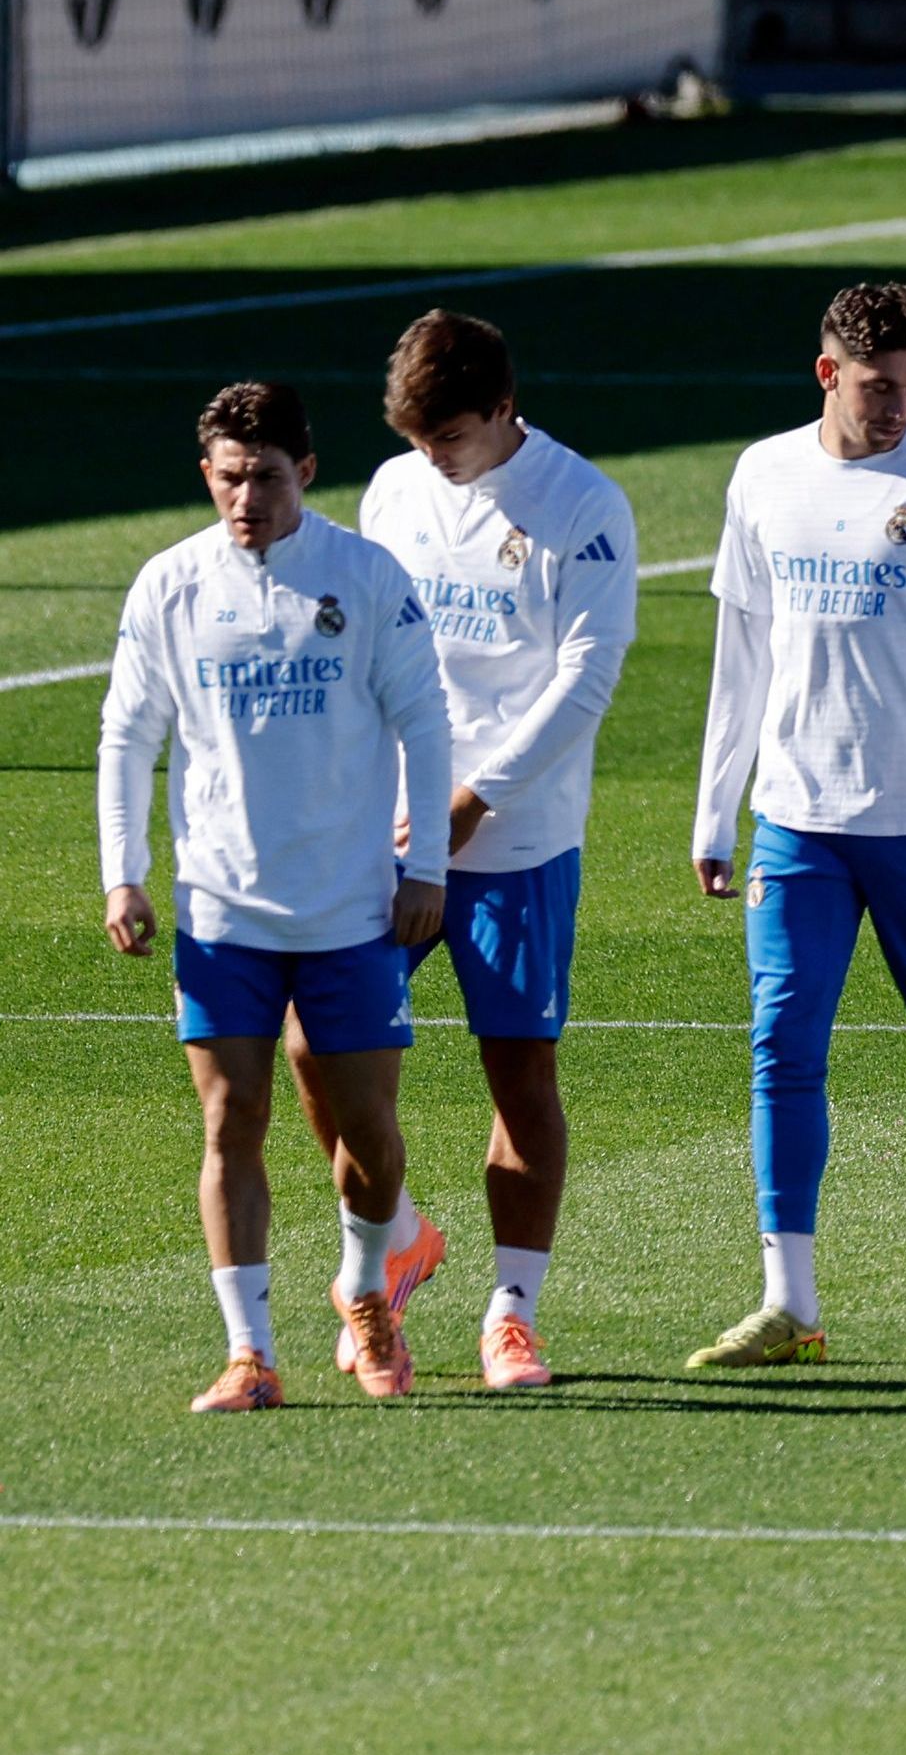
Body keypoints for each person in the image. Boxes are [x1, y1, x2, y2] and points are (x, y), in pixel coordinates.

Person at [686, 282, 906, 1368]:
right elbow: (742, 649)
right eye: (880, 385)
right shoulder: (763, 472)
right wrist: (715, 808)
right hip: (796, 819)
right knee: (781, 1051)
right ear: (826, 373)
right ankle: (788, 1300)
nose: (899, 407)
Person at [102, 382, 456, 1409]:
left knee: (368, 1137)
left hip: (351, 907)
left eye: (262, 474)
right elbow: (129, 733)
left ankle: (365, 1280)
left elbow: (425, 721)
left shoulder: (365, 575)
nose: (244, 496)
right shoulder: (171, 584)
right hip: (222, 910)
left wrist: (425, 864)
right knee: (231, 1121)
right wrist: (122, 870)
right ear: (205, 475)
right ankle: (250, 1351)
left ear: (305, 469)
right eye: (226, 476)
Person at [354, 311, 633, 1392]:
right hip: (388, 830)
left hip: (515, 838)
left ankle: (511, 1311)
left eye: (452, 436)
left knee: (518, 1071)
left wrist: (477, 796)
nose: (434, 456)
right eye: (419, 436)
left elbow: (586, 674)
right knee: (311, 1044)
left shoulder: (583, 505)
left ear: (505, 408)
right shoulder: (391, 490)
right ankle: (405, 1236)